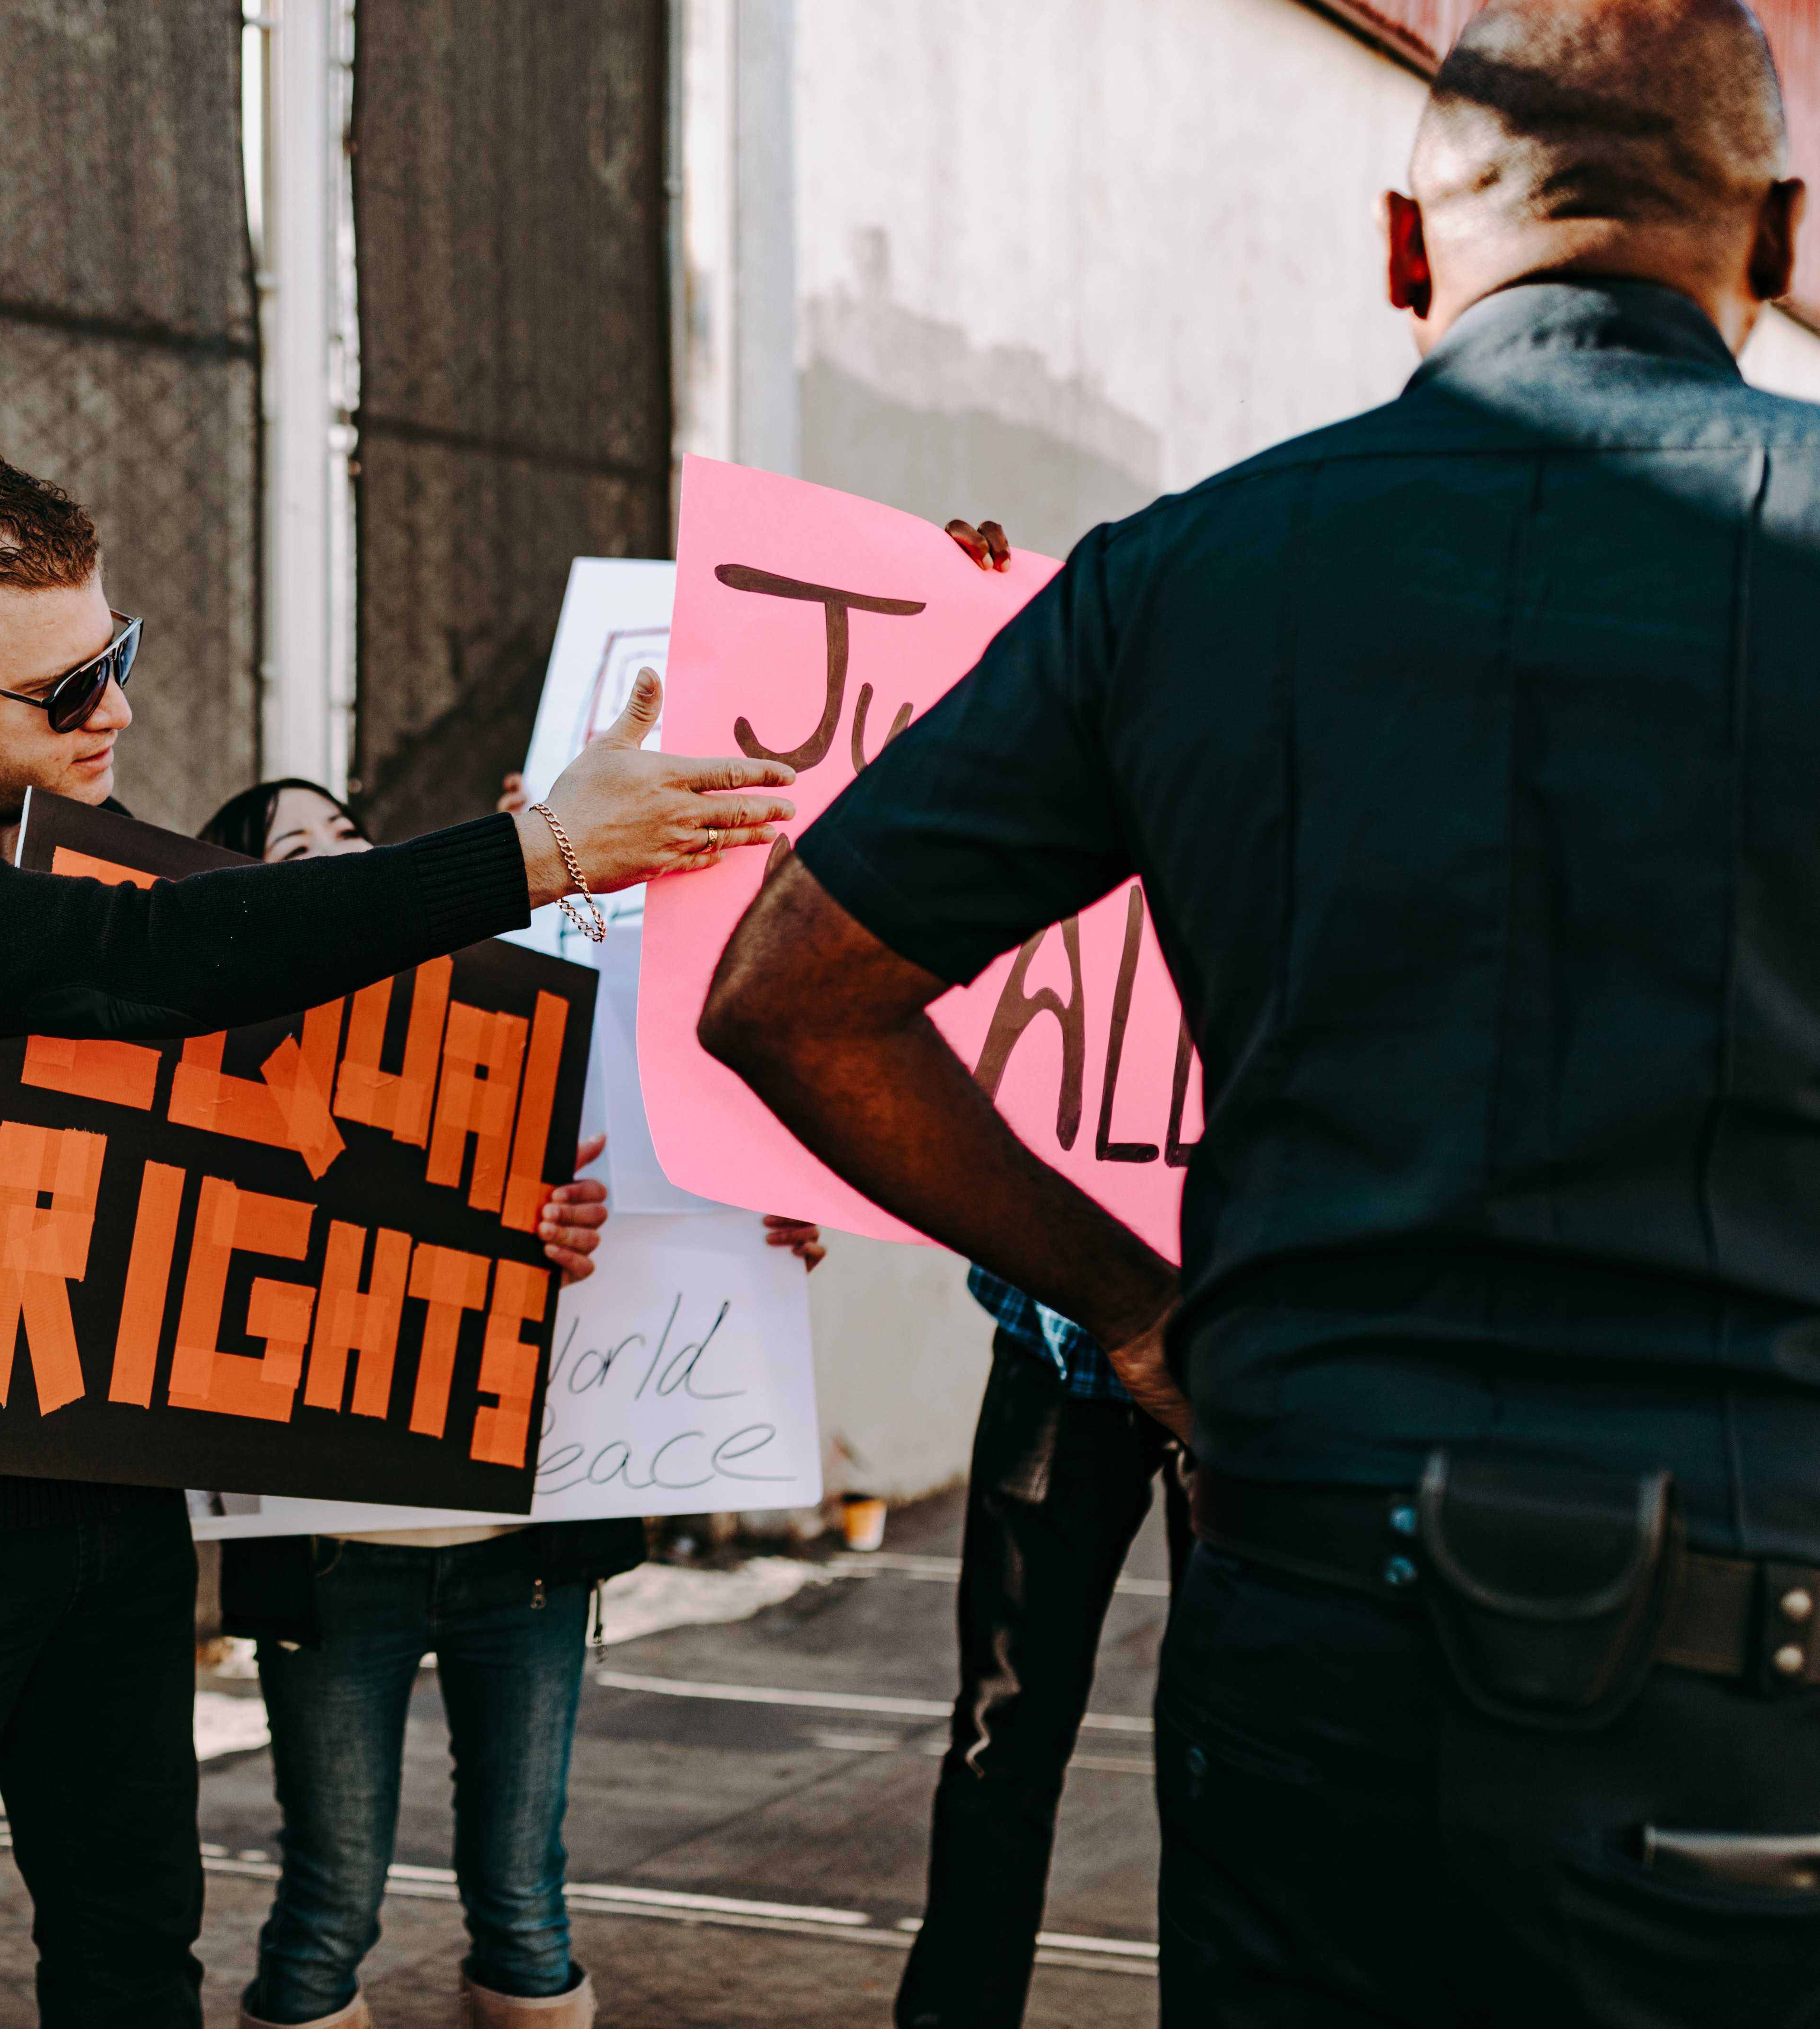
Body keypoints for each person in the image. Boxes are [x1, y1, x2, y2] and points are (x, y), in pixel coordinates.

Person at [699, 0, 1820, 2015]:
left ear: (1405, 250)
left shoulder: (1186, 574)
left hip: (1311, 1624)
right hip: (1759, 1664)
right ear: (1783, 237)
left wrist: (1131, 1309)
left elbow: (788, 995)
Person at [0, 453, 797, 2028]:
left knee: (139, 1945)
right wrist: (537, 853)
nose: (115, 711)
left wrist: (527, 1199)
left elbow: (307, 1043)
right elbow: (147, 961)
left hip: (105, 1483)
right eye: (66, 684)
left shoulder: (65, 822)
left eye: (121, 654)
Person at [202, 778, 828, 2029]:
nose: (346, 857)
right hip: (334, 1567)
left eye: (355, 834)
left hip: (525, 1556)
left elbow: (666, 1161)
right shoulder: (218, 1082)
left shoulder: (525, 1028)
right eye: (300, 848)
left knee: (528, 1902)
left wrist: (758, 1226)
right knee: (331, 1900)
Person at [878, 523, 1196, 2029]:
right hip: (1063, 1338)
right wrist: (954, 617)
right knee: (1007, 1726)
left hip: (1220, 1343)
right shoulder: (1065, 789)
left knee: (1226, 1739)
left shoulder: (1268, 802)